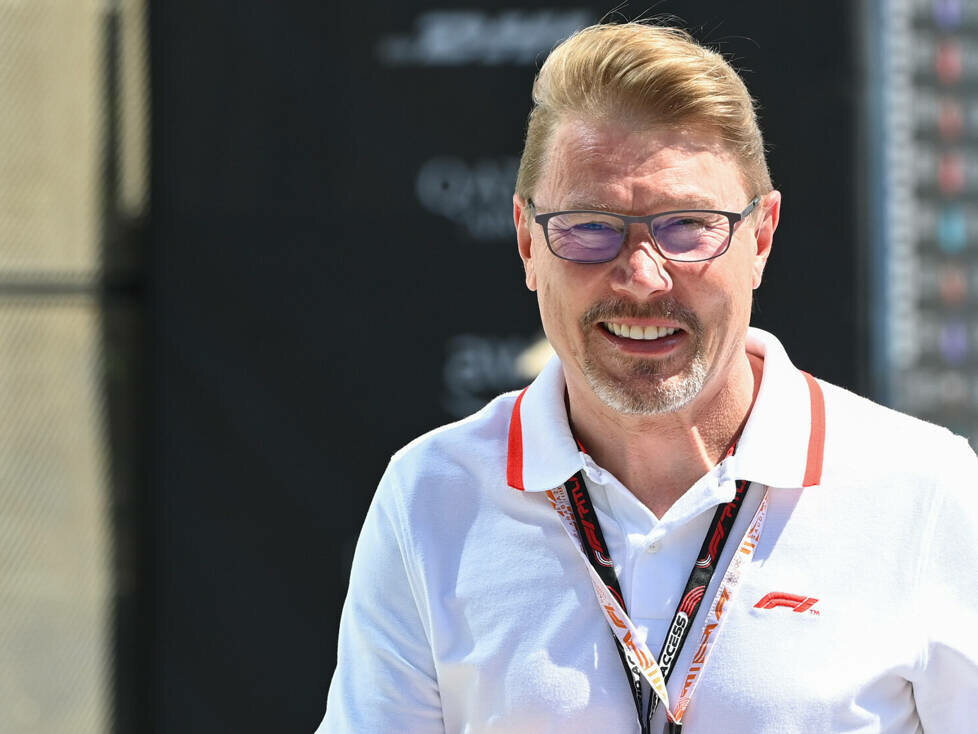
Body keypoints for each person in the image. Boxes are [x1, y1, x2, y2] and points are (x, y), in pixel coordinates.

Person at [319, 22, 978, 733]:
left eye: (688, 225)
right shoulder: (431, 495)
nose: (641, 276)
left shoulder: (924, 486)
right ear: (527, 241)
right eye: (589, 226)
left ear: (761, 238)